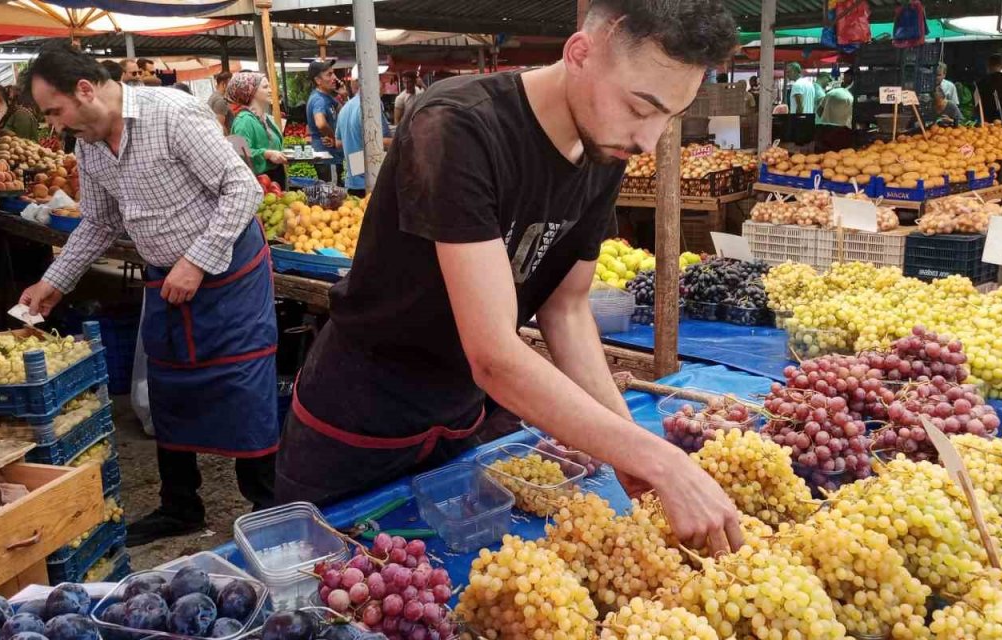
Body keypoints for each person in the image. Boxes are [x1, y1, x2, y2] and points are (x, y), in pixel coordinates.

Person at [277, 0, 747, 555]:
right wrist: (660, 461)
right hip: (359, 419)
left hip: (456, 423)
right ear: (580, 53)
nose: (648, 139)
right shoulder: (456, 127)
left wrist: (632, 445)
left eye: (669, 116)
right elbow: (495, 354)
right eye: (641, 107)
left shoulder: (603, 151)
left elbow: (566, 309)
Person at [18, 42, 277, 546]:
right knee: (168, 385)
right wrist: (56, 280)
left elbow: (242, 189)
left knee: (243, 386)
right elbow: (99, 221)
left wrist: (197, 260)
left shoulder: (172, 114)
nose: (54, 124)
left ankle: (266, 506)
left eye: (55, 111)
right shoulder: (88, 146)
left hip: (229, 275)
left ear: (86, 89)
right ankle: (180, 506)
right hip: (167, 279)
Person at [228, 71, 288, 188]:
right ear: (251, 91)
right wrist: (266, 153)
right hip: (260, 182)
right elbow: (240, 154)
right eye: (265, 87)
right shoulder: (243, 121)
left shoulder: (263, 117)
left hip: (274, 177)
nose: (270, 91)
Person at [336, 79, 391, 198]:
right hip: (371, 181)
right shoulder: (369, 107)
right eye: (381, 83)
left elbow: (339, 143)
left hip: (353, 180)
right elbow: (381, 142)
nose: (384, 87)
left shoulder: (345, 109)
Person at [305, 59, 345, 183]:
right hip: (327, 158)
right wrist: (334, 138)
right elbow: (320, 123)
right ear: (318, 80)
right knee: (333, 194)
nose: (334, 77)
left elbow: (343, 111)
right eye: (329, 74)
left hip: (330, 157)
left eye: (333, 73)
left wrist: (343, 94)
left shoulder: (327, 97)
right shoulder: (319, 100)